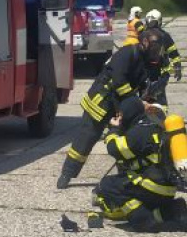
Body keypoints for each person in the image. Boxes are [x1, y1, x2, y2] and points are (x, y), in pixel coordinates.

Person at [57, 28, 164, 189]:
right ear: (145, 42)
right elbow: (119, 81)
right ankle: (67, 174)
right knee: (86, 139)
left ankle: (126, 175)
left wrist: (149, 102)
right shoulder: (127, 53)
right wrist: (137, 103)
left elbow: (144, 86)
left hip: (122, 105)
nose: (157, 51)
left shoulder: (147, 62)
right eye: (155, 46)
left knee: (127, 140)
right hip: (102, 102)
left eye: (159, 48)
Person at [88, 96, 187, 232]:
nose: (120, 117)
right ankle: (175, 209)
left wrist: (114, 129)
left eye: (121, 115)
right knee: (137, 193)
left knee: (108, 185)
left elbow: (115, 149)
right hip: (167, 188)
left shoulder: (138, 132)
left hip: (151, 187)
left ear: (128, 113)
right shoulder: (156, 125)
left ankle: (143, 220)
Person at [143, 9, 183, 107]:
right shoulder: (164, 35)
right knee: (159, 98)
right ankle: (161, 113)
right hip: (161, 74)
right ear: (159, 21)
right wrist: (177, 67)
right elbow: (173, 53)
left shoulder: (141, 35)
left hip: (144, 74)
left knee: (145, 98)